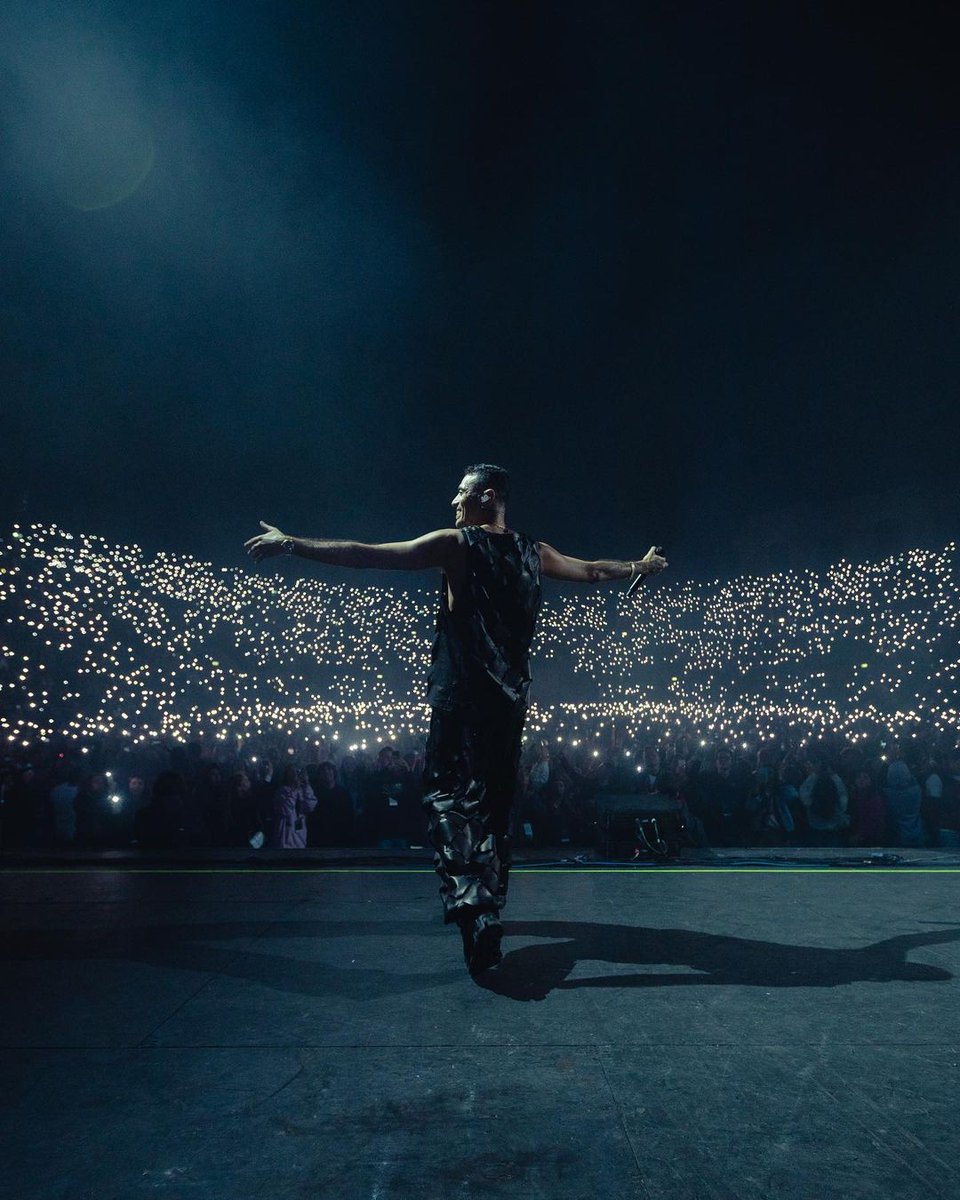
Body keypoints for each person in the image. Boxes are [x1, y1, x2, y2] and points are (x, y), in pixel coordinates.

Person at [244, 462, 667, 975]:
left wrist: (292, 543)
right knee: (492, 806)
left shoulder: (458, 544)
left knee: (447, 797)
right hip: (510, 703)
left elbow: (371, 555)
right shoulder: (536, 553)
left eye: (461, 495)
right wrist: (639, 567)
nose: (454, 504)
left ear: (487, 496)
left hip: (461, 698)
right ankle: (489, 904)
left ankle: (476, 907)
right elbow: (595, 570)